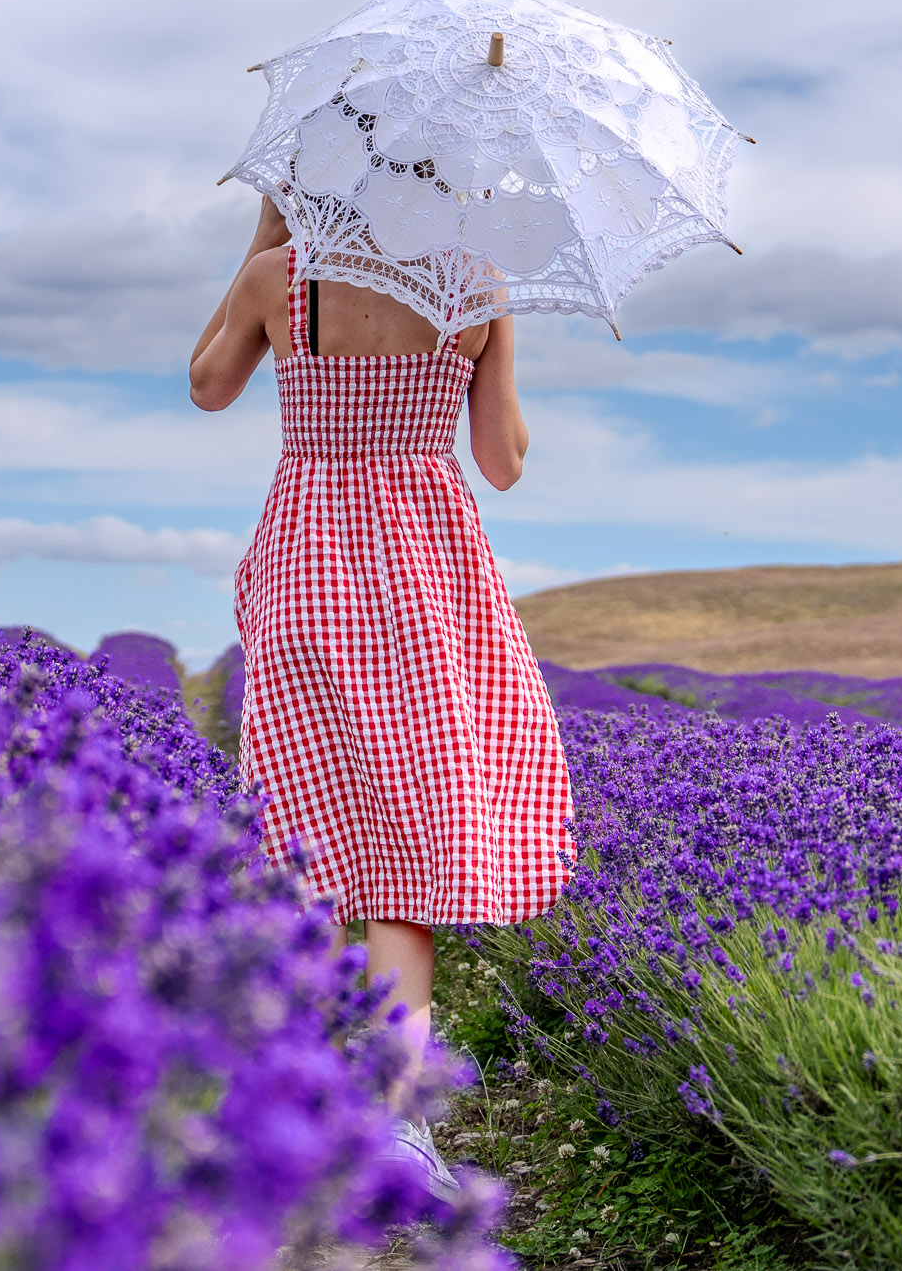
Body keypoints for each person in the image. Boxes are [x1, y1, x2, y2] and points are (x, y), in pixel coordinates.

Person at [190, 195, 575, 1199]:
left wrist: (263, 239)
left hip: (306, 572)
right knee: (405, 857)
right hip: (423, 582)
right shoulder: (472, 283)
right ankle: (395, 1124)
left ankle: (295, 1114)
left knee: (303, 839)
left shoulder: (279, 277)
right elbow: (501, 462)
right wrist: (493, 338)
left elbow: (207, 385)